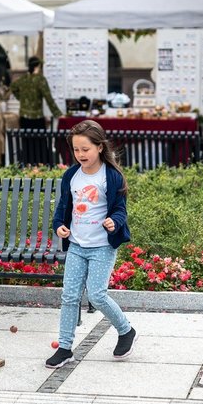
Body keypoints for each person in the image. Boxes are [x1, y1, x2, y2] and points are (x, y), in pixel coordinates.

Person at [47, 120, 135, 369]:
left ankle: (125, 330)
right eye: (76, 150)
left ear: (99, 147)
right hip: (76, 245)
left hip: (102, 246)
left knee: (97, 295)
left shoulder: (111, 176)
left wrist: (113, 223)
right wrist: (58, 226)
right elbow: (63, 208)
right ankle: (65, 348)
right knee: (69, 296)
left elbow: (120, 210)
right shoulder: (71, 176)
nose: (80, 154)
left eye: (85, 149)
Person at [10, 56, 62, 130]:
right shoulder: (41, 80)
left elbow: (13, 87)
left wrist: (21, 98)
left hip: (23, 118)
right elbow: (49, 99)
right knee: (39, 141)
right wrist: (58, 114)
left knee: (26, 141)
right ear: (37, 67)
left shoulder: (23, 79)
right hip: (37, 119)